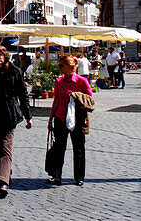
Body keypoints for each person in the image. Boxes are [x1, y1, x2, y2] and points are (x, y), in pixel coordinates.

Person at [0, 45, 33, 198]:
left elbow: (23, 94)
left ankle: (3, 182)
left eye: (0, 55)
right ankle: (6, 173)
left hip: (10, 115)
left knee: (5, 147)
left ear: (6, 56)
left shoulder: (14, 71)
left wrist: (28, 116)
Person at [45, 54, 94, 187]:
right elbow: (56, 100)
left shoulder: (81, 81)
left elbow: (90, 98)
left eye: (62, 65)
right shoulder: (59, 81)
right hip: (60, 117)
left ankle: (79, 177)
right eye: (59, 65)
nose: (59, 68)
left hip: (77, 118)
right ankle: (57, 175)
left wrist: (77, 96)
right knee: (59, 148)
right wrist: (51, 119)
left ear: (71, 67)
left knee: (78, 148)